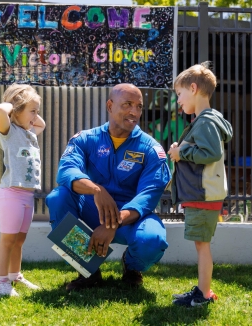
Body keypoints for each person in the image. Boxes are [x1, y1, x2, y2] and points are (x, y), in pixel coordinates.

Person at [46, 83, 171, 291]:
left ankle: (131, 267)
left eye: (139, 106)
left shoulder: (151, 149)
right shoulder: (85, 139)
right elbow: (66, 172)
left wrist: (113, 223)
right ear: (110, 106)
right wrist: (96, 190)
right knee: (57, 197)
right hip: (93, 210)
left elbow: (148, 195)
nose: (134, 112)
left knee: (153, 240)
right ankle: (89, 271)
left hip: (131, 217)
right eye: (128, 104)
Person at [167, 62, 233, 308]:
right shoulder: (206, 120)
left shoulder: (204, 122)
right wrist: (181, 150)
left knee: (202, 246)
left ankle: (203, 295)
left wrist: (181, 154)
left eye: (180, 94)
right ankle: (203, 290)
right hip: (203, 194)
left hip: (203, 195)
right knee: (200, 244)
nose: (179, 101)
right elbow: (202, 150)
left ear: (193, 88)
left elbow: (210, 153)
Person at [0, 84, 46, 297]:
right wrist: (14, 103)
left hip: (27, 196)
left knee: (19, 240)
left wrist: (32, 113)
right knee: (8, 240)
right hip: (11, 194)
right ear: (16, 111)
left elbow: (42, 124)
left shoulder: (29, 134)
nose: (36, 116)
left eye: (37, 111)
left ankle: (15, 275)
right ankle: (1, 282)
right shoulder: (8, 132)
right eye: (32, 111)